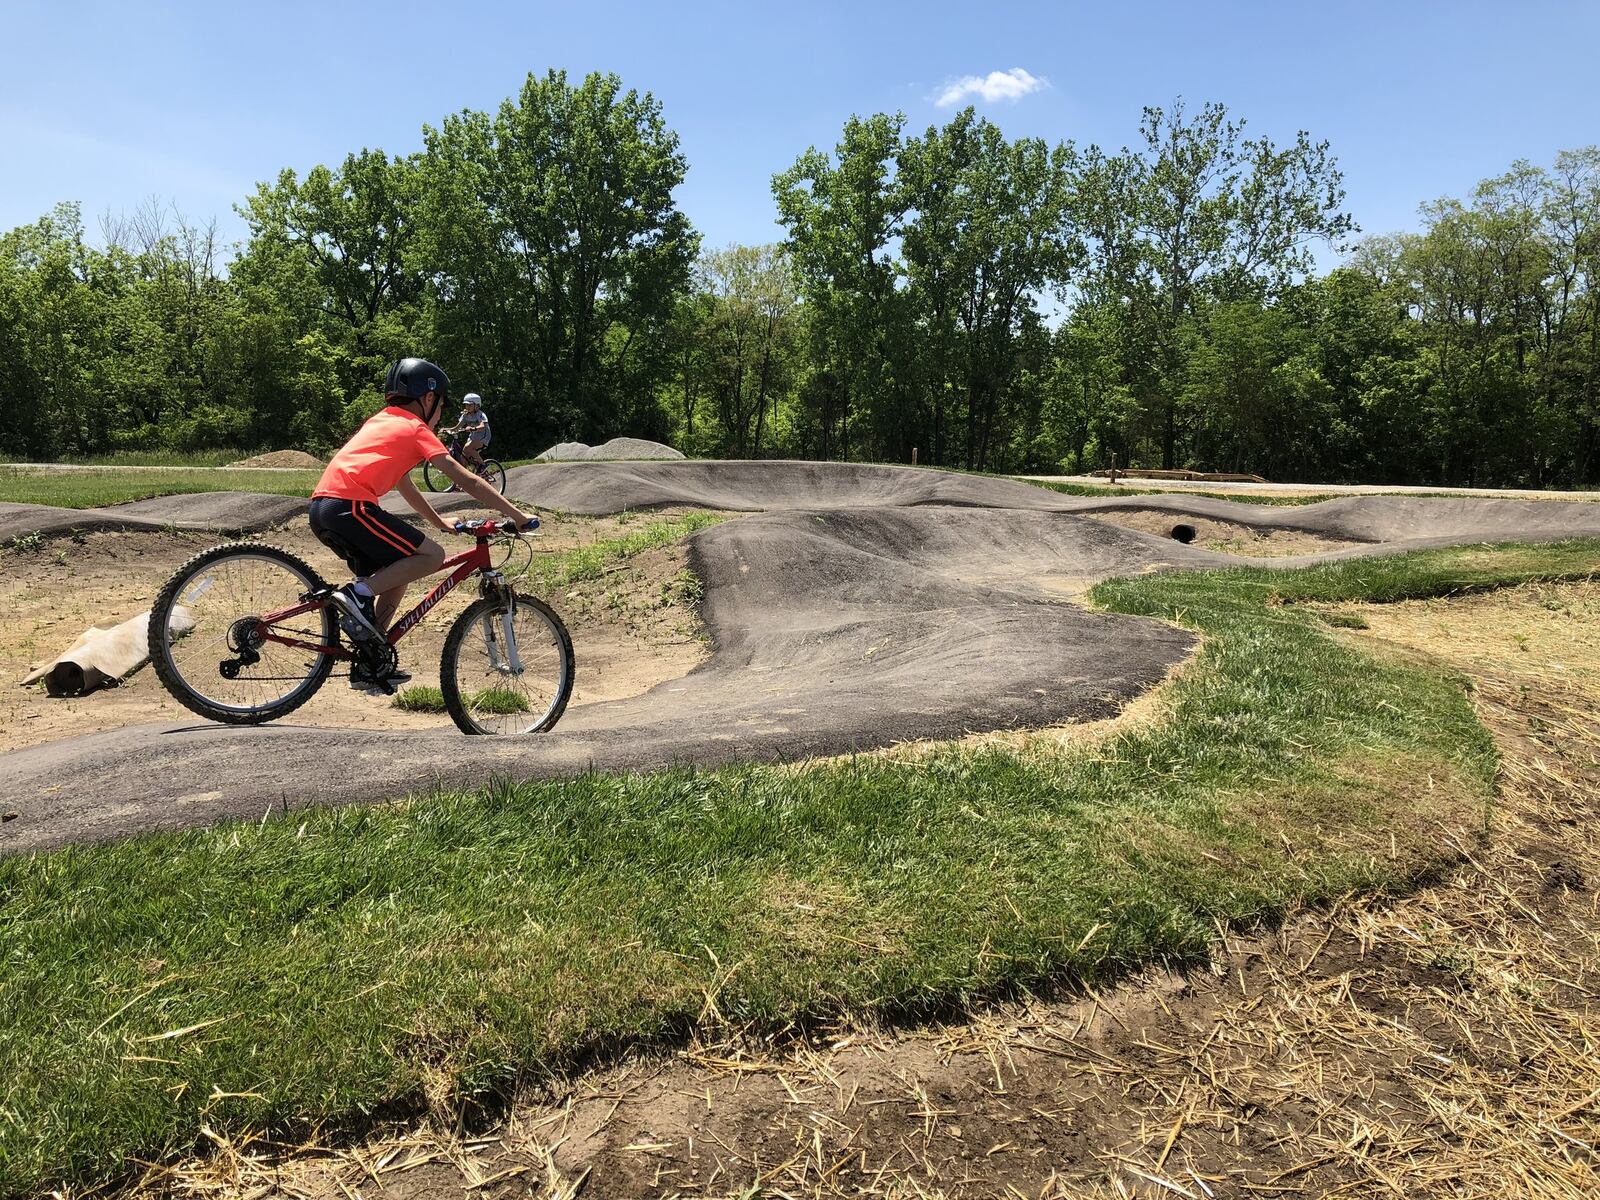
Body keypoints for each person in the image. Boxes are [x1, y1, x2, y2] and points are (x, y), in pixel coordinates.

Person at [308, 358, 538, 693]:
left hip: (324, 508)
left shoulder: (382, 421)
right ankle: (356, 594)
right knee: (431, 556)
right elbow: (467, 480)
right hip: (350, 506)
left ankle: (371, 658)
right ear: (428, 398)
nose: (441, 413)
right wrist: (517, 515)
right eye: (442, 405)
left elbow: (405, 484)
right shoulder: (416, 429)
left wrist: (439, 521)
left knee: (401, 567)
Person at [446, 392, 492, 471]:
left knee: (469, 448)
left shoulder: (480, 414)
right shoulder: (465, 415)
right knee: (463, 458)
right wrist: (447, 429)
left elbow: (483, 426)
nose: (467, 407)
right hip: (473, 438)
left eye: (470, 405)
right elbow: (457, 427)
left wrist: (472, 428)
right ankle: (466, 476)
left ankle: (483, 465)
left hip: (483, 437)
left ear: (477, 405)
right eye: (466, 405)